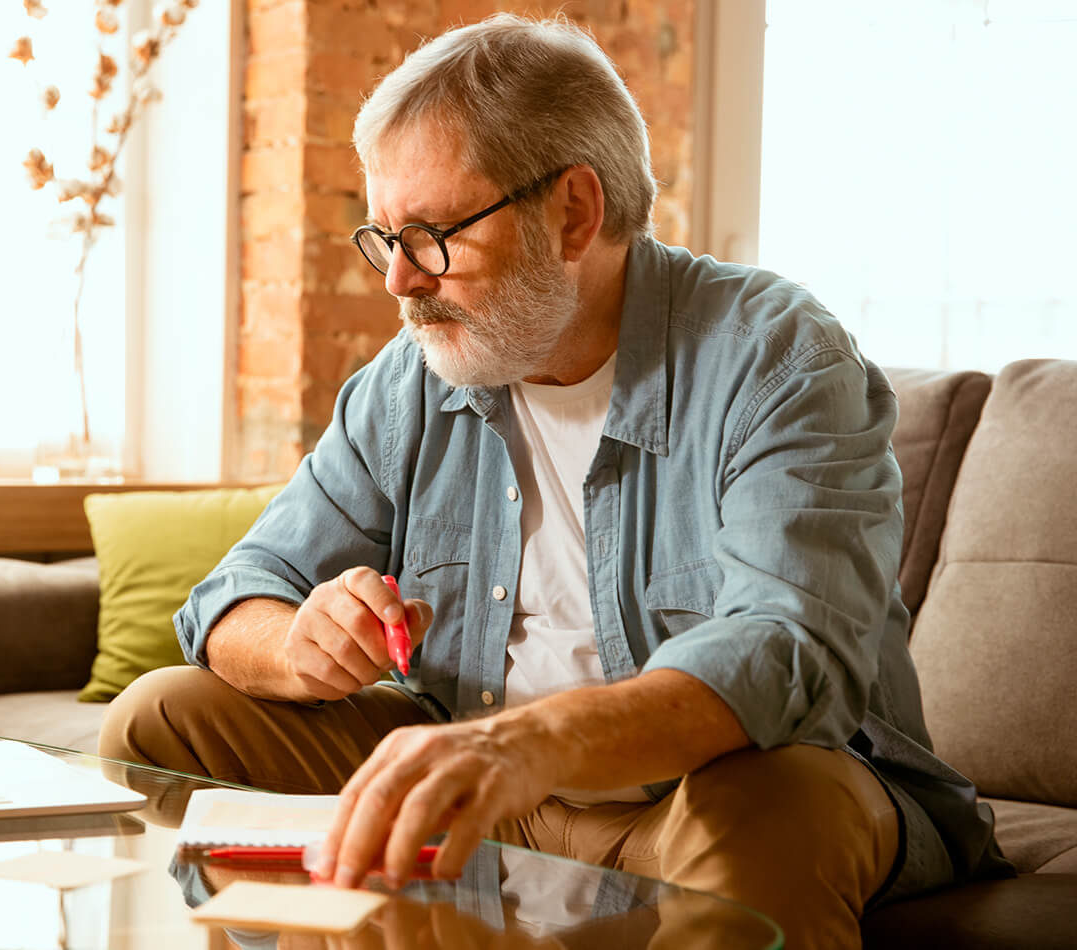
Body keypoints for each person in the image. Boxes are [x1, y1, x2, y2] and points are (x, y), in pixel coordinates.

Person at [100, 14, 1010, 948]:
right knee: (165, 717)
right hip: (485, 795)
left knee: (773, 802)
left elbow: (789, 652)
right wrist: (296, 643)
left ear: (573, 212)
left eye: (432, 234)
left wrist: (531, 744)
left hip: (695, 804)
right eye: (385, 237)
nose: (399, 282)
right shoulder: (413, 378)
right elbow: (231, 598)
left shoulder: (773, 355)